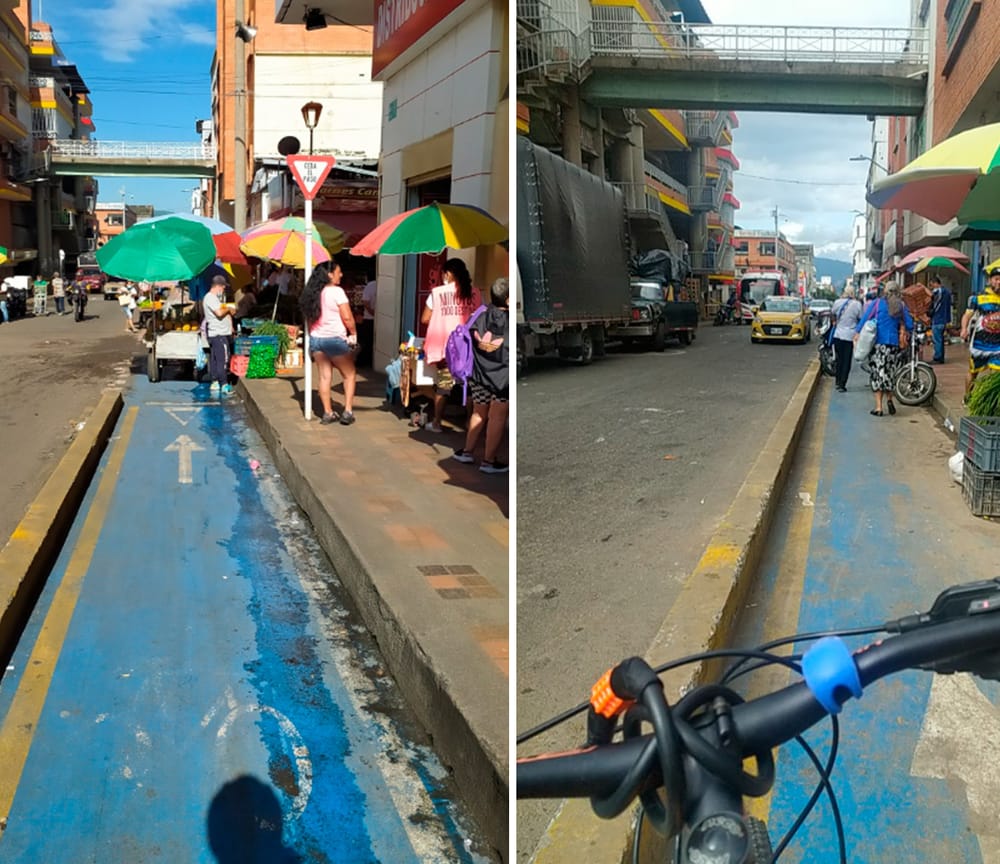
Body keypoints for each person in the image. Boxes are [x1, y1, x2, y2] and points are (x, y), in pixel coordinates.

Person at [453, 277, 509, 473]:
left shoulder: (479, 314)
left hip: (478, 376)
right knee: (497, 418)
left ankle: (467, 452)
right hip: (501, 379)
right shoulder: (509, 321)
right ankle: (488, 461)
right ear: (509, 300)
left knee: (478, 413)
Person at [420, 258, 482, 433]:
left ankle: (437, 422)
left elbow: (425, 318)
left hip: (446, 347)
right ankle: (470, 422)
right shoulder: (475, 293)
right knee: (468, 386)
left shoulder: (437, 293)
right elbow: (480, 317)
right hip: (468, 348)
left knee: (443, 385)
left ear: (447, 274)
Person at [300, 262, 358, 425]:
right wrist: (353, 333)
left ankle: (328, 412)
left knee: (325, 377)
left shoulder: (313, 293)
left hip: (317, 340)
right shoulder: (337, 291)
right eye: (339, 272)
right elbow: (347, 317)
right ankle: (347, 411)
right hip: (334, 340)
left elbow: (309, 320)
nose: (341, 275)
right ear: (330, 274)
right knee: (349, 374)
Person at [855, 281, 913, 417]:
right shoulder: (901, 305)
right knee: (890, 373)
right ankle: (890, 400)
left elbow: (865, 318)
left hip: (879, 344)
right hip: (893, 345)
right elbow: (910, 324)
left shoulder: (877, 303)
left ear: (885, 291)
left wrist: (857, 333)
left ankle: (879, 407)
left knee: (878, 374)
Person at [961, 265, 1000, 399]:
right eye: (996, 279)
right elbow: (967, 315)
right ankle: (968, 396)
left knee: (997, 373)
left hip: (998, 345)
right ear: (989, 280)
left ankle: (991, 400)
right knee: (973, 372)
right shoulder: (978, 297)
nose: (999, 282)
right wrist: (964, 328)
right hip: (980, 344)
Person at [204, 274, 235, 395]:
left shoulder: (213, 298)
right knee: (222, 359)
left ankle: (215, 381)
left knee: (215, 359)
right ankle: (224, 384)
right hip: (218, 334)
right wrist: (228, 308)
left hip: (216, 334)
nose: (224, 289)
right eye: (223, 287)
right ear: (218, 286)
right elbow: (219, 313)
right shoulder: (210, 298)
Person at [830, 285, 862, 392]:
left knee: (839, 359)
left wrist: (835, 322)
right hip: (850, 336)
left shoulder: (837, 302)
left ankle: (837, 381)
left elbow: (832, 314)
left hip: (838, 335)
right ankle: (842, 384)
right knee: (846, 360)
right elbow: (860, 318)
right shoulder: (857, 304)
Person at [929, 275, 953, 363]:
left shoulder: (939, 293)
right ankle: (941, 356)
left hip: (938, 319)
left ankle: (938, 357)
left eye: (931, 285)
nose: (931, 287)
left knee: (937, 339)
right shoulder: (947, 292)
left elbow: (936, 305)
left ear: (936, 283)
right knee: (941, 339)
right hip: (944, 319)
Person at [359, 276, 376, 368]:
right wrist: (373, 312)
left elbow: (365, 302)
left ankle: (365, 361)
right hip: (370, 318)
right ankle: (364, 361)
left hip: (371, 318)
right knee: (369, 341)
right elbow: (365, 302)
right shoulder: (372, 285)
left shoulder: (370, 285)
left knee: (369, 342)